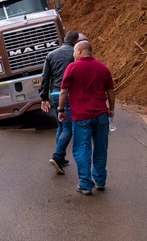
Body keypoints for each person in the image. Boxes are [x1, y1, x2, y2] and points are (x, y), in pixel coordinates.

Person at [57, 40, 115, 196]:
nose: (74, 55)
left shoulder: (73, 68)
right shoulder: (103, 68)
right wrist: (111, 109)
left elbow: (63, 92)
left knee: (82, 149)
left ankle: (85, 184)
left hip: (81, 117)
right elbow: (110, 92)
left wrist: (61, 110)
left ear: (81, 51)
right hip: (101, 115)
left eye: (75, 52)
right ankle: (100, 181)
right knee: (101, 148)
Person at [40, 30, 80, 174]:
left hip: (55, 94)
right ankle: (57, 157)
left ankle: (61, 157)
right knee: (68, 128)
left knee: (61, 127)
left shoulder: (51, 54)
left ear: (64, 39)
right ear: (76, 41)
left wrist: (44, 98)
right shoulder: (76, 54)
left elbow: (45, 78)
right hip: (68, 94)